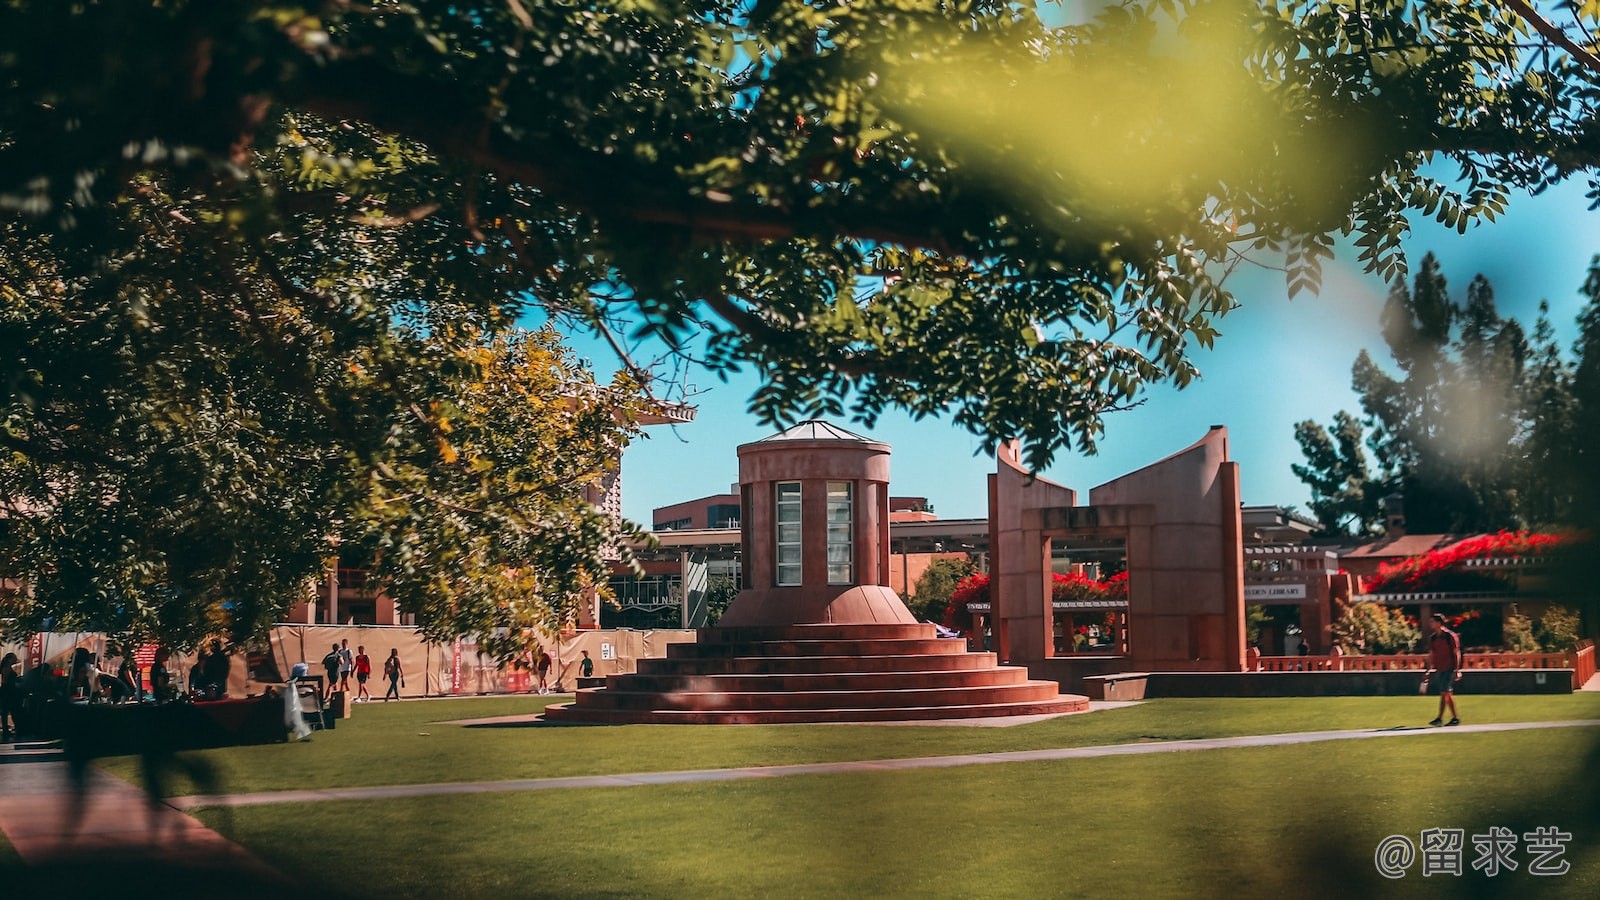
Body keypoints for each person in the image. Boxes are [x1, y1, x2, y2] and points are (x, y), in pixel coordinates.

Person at [1425, 612, 1463, 726]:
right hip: (1439, 668)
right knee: (1447, 693)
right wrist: (1428, 670)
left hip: (1449, 668)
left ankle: (1439, 718)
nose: (1430, 624)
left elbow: (1456, 653)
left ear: (1439, 623)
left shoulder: (1449, 636)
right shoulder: (1433, 638)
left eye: (1432, 621)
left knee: (1444, 692)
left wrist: (1457, 669)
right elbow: (1432, 654)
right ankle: (1455, 718)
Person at [0, 652, 20, 740]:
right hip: (8, 692)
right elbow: (5, 681)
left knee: (6, 711)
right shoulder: (6, 668)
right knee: (11, 710)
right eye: (14, 658)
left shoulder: (7, 668)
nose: (16, 659)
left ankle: (6, 730)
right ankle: (7, 731)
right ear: (9, 659)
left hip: (7, 691)